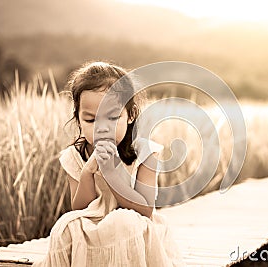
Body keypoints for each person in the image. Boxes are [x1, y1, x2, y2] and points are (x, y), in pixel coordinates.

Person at [32, 61, 186, 267]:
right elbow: (79, 209)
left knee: (122, 222)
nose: (101, 129)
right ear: (78, 119)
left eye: (112, 118)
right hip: (94, 227)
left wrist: (112, 174)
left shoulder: (145, 153)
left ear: (130, 116)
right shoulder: (74, 156)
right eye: (90, 120)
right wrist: (88, 172)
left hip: (135, 230)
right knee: (66, 226)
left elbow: (145, 211)